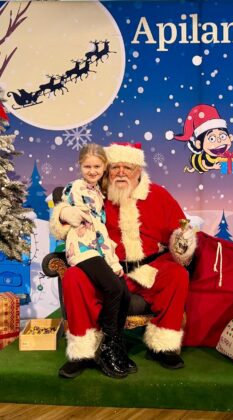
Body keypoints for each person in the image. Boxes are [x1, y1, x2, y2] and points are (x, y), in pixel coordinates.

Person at [50, 142, 196, 377]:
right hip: (107, 269)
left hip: (148, 268)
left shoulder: (159, 195)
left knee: (177, 274)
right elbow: (67, 210)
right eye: (115, 167)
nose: (120, 173)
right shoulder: (95, 193)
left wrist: (184, 241)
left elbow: (179, 233)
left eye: (127, 167)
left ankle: (163, 346)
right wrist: (63, 213)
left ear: (138, 170)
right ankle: (82, 353)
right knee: (74, 277)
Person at [58, 144, 133, 379]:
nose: (92, 171)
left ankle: (115, 344)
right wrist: (63, 212)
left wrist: (113, 262)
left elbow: (102, 232)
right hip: (82, 250)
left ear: (104, 167)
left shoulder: (98, 192)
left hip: (95, 249)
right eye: (87, 166)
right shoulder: (77, 188)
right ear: (80, 166)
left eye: (97, 166)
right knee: (113, 288)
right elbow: (77, 217)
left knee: (123, 291)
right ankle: (107, 347)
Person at [174, 104, 233, 173]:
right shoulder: (206, 157)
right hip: (198, 163)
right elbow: (204, 164)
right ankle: (192, 169)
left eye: (222, 136)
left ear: (230, 137)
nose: (219, 141)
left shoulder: (221, 155)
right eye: (212, 139)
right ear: (199, 144)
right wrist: (213, 167)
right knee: (196, 169)